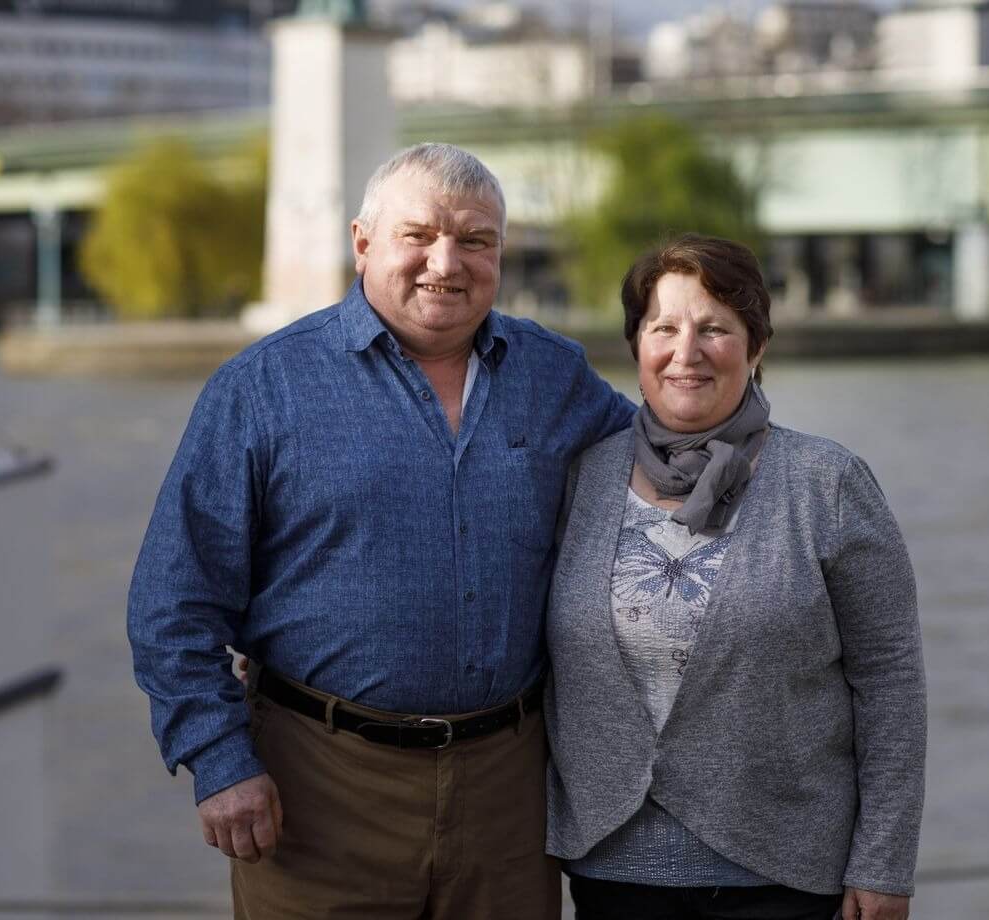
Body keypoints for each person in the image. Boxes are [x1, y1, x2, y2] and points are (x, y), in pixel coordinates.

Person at [127, 142, 634, 919]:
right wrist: (220, 761)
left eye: (475, 240)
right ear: (362, 243)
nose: (447, 261)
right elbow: (175, 601)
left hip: (509, 790)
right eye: (419, 235)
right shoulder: (263, 388)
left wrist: (774, 454)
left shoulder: (553, 374)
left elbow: (661, 476)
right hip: (317, 787)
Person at [545, 234, 926, 920]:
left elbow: (890, 681)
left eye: (715, 328)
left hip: (785, 876)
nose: (686, 352)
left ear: (756, 349)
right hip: (611, 874)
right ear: (637, 347)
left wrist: (884, 863)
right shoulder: (582, 477)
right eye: (664, 327)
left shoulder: (827, 483)